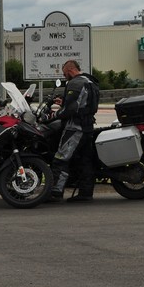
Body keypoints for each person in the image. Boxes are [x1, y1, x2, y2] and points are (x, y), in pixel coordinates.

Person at [47, 59, 99, 203]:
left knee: (60, 158)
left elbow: (70, 109)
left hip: (75, 128)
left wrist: (54, 115)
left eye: (65, 74)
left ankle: (55, 193)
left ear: (70, 71)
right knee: (85, 160)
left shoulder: (75, 83)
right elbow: (84, 104)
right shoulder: (90, 82)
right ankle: (86, 193)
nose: (65, 77)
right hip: (88, 127)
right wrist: (64, 102)